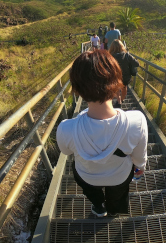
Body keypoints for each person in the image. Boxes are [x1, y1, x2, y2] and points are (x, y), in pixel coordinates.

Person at [56, 50, 148, 217]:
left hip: (87, 177)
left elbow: (66, 151)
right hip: (120, 176)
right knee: (118, 193)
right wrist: (140, 168)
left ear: (77, 89)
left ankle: (98, 207)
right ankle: (113, 211)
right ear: (117, 82)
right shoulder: (137, 121)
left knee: (90, 189)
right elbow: (139, 159)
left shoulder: (66, 128)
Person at [109, 39, 139, 108]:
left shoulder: (110, 56)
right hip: (125, 77)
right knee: (124, 88)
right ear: (122, 46)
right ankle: (121, 101)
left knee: (116, 88)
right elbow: (137, 64)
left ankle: (119, 101)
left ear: (112, 47)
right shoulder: (127, 55)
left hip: (114, 77)